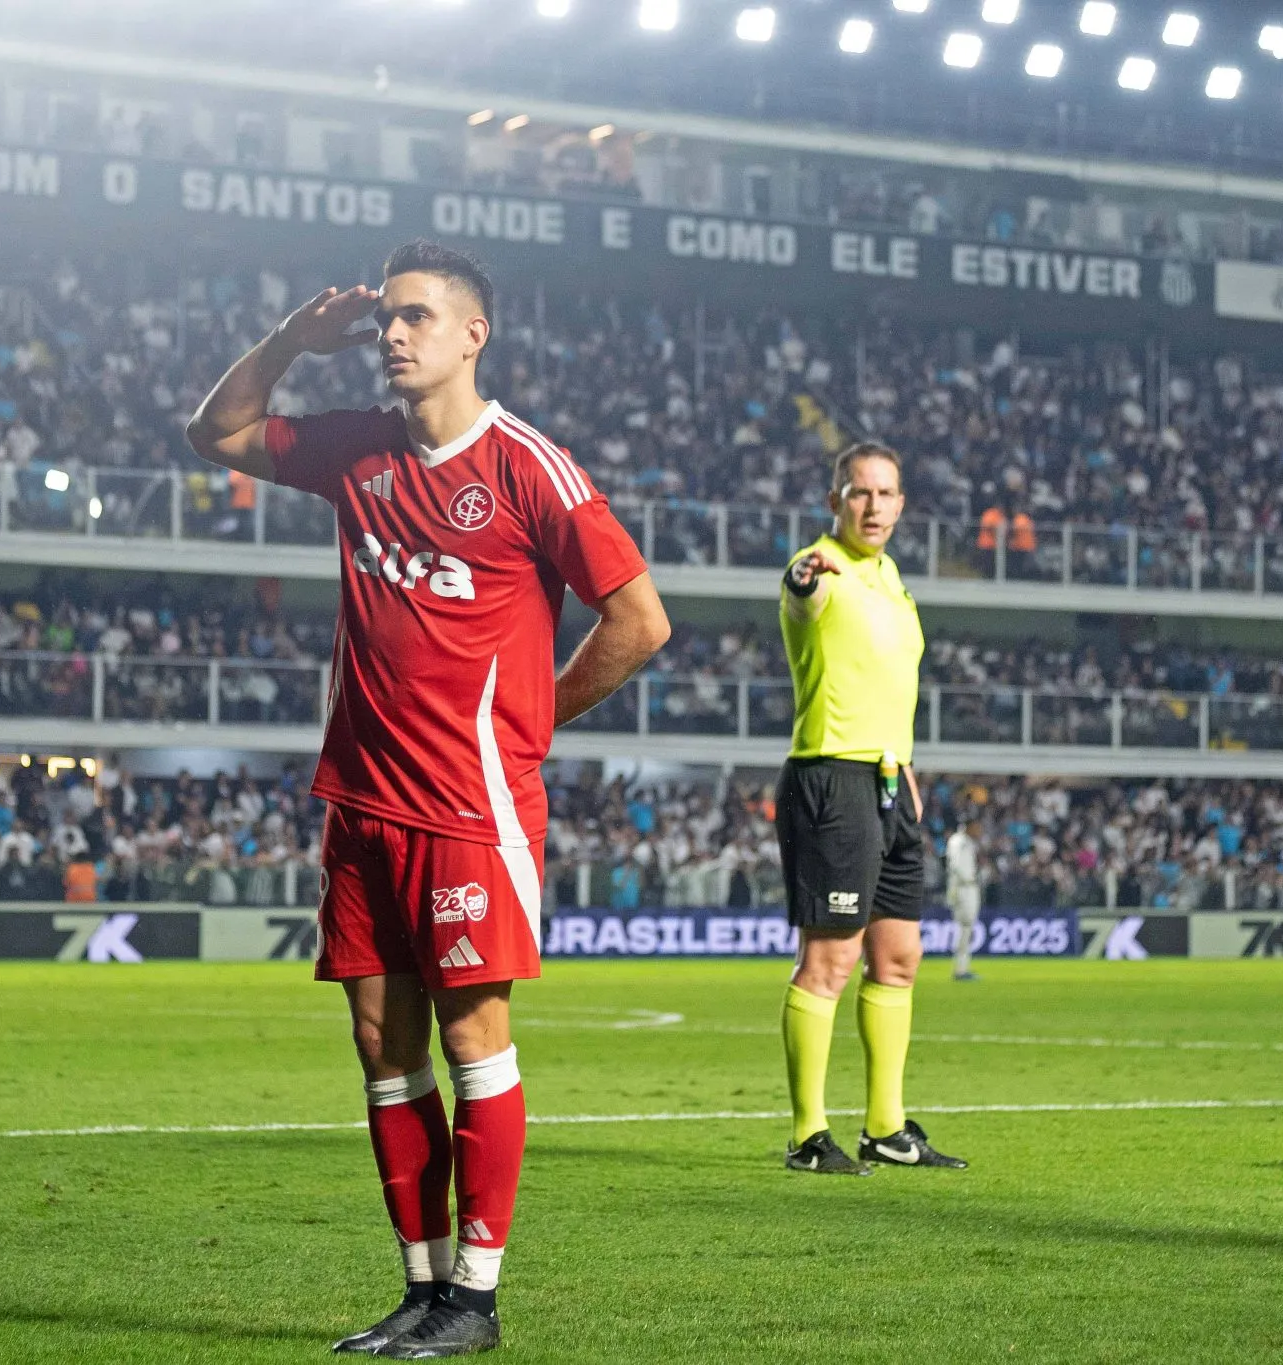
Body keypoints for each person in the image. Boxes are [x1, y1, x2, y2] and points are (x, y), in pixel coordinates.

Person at [186, 239, 669, 1357]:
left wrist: (528, 727)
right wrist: (286, 345)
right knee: (378, 1047)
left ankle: (477, 1301)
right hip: (358, 798)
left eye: (411, 318)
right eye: (381, 322)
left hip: (467, 806)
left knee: (473, 1041)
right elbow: (212, 434)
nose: (390, 337)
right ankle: (419, 1289)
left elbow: (639, 621)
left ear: (469, 335)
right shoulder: (357, 448)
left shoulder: (527, 468)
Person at [775, 441, 965, 1177]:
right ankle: (806, 1134)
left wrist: (907, 768)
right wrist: (800, 578)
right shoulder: (819, 567)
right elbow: (799, 594)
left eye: (887, 493)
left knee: (899, 956)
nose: (875, 506)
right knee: (829, 957)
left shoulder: (891, 579)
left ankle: (885, 1127)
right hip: (833, 777)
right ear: (836, 501)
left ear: (903, 504)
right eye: (861, 493)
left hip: (891, 780)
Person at [946, 819, 982, 981]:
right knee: (964, 928)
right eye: (976, 827)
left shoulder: (966, 841)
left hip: (967, 887)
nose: (979, 830)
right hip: (963, 888)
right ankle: (960, 969)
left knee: (966, 929)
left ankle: (962, 967)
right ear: (969, 826)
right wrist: (966, 879)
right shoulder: (958, 841)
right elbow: (956, 866)